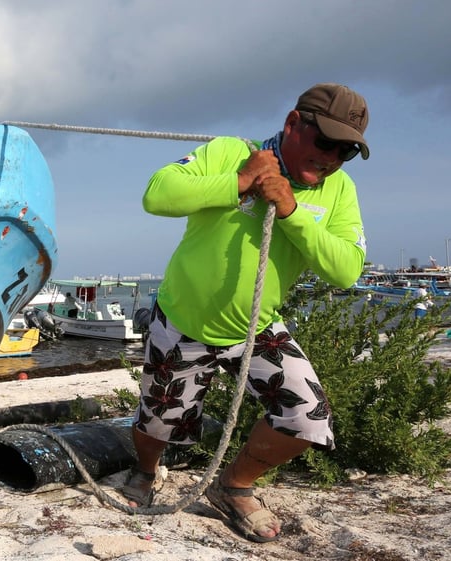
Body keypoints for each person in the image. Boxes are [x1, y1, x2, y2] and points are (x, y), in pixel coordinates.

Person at [125, 83, 369, 543]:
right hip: (183, 320)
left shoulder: (340, 190)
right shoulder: (230, 152)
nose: (332, 157)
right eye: (325, 142)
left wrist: (292, 211)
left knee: (307, 418)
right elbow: (157, 195)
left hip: (257, 327)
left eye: (347, 151)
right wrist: (239, 181)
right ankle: (146, 471)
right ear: (294, 123)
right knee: (157, 424)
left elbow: (346, 272)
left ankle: (233, 485)